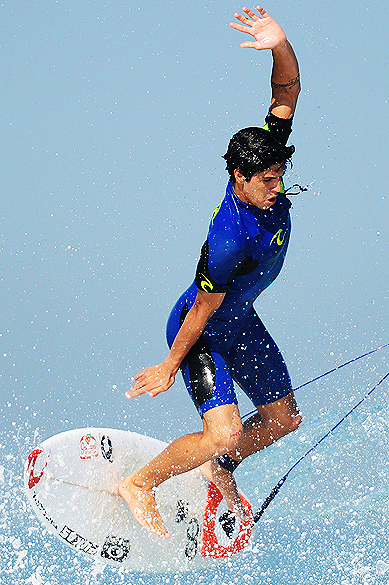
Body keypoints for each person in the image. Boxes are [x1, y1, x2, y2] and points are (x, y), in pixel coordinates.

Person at [119, 6, 301, 539]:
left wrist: (280, 45)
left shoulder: (264, 166)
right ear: (240, 177)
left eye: (280, 176)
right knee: (221, 432)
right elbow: (201, 307)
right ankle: (140, 484)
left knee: (283, 420)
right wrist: (170, 365)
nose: (276, 187)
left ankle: (217, 469)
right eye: (267, 180)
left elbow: (286, 93)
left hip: (238, 320)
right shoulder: (228, 239)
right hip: (198, 329)